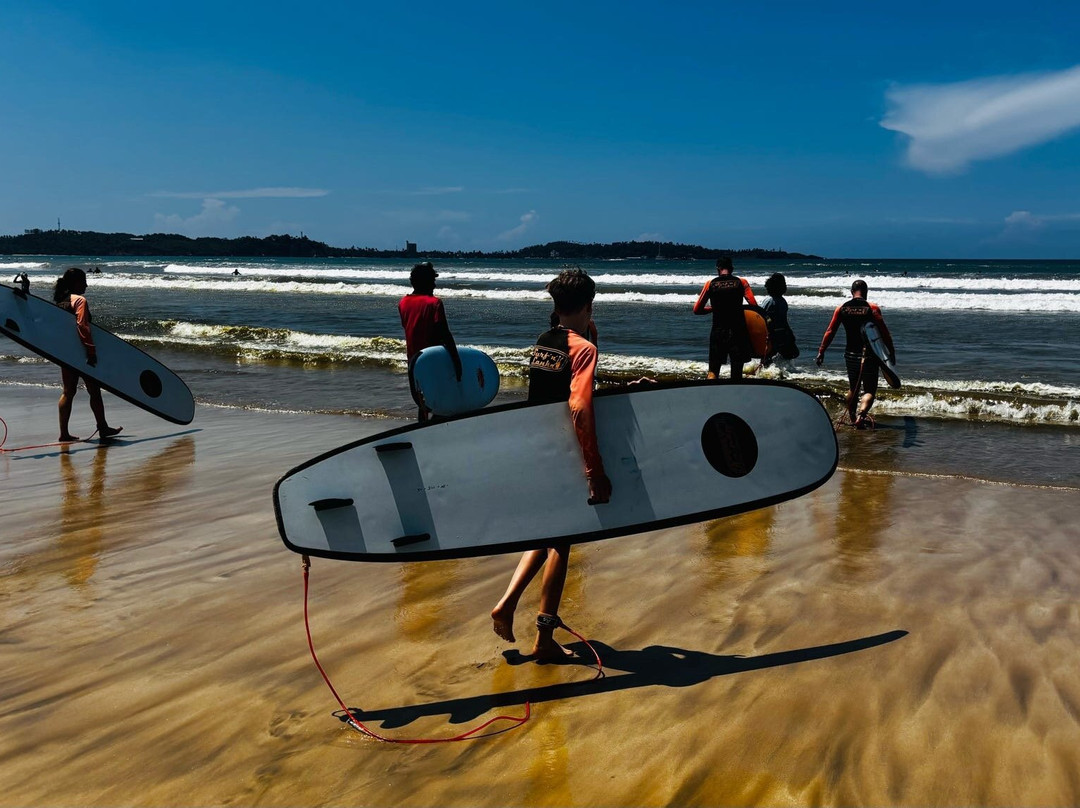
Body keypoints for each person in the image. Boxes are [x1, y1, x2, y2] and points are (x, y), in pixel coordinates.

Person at [491, 268, 611, 660]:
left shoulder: (545, 341)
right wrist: (594, 471)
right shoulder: (583, 348)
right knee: (562, 541)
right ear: (589, 304)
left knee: (546, 534)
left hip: (536, 449)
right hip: (564, 454)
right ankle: (544, 639)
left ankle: (508, 603)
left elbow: (553, 394)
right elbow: (577, 407)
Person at [53, 267, 122, 442]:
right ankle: (103, 428)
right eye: (84, 281)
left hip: (66, 354)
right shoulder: (80, 301)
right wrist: (91, 351)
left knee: (68, 392)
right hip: (82, 353)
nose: (87, 285)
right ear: (76, 283)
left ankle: (64, 433)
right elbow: (83, 327)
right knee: (94, 392)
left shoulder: (61, 301)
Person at [815, 279, 895, 428]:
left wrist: (821, 351)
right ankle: (861, 415)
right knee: (869, 389)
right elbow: (884, 334)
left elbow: (830, 331)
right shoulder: (872, 308)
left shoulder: (842, 308)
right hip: (870, 355)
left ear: (852, 292)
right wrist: (891, 352)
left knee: (853, 388)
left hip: (850, 354)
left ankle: (852, 418)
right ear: (866, 292)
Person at [397, 261, 461, 422]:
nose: (434, 285)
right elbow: (445, 334)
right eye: (432, 280)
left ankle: (422, 432)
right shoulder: (434, 304)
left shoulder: (403, 303)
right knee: (442, 402)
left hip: (414, 361)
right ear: (425, 282)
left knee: (422, 402)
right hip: (435, 360)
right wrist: (456, 362)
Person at [692, 256, 757, 380]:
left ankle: (709, 396)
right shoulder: (741, 282)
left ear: (718, 269)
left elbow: (697, 310)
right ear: (732, 269)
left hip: (718, 332)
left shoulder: (710, 284)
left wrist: (713, 308)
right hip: (738, 332)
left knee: (713, 371)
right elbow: (754, 306)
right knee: (737, 373)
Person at [761, 272, 799, 364]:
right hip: (776, 333)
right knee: (792, 353)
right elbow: (779, 320)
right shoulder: (778, 302)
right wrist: (789, 333)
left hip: (772, 332)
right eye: (784, 284)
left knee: (770, 356)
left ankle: (771, 369)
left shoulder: (768, 300)